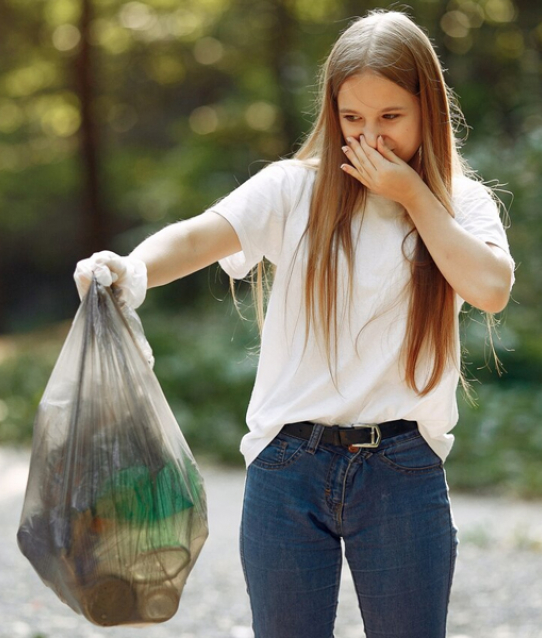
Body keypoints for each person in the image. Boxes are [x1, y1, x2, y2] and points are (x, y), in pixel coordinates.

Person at [74, 10, 514, 638]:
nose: (372, 138)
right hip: (287, 465)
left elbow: (492, 288)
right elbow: (202, 235)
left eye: (391, 118)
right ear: (332, 112)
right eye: (353, 118)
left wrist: (413, 195)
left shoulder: (460, 203)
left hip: (404, 466)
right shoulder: (292, 190)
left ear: (429, 109)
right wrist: (129, 269)